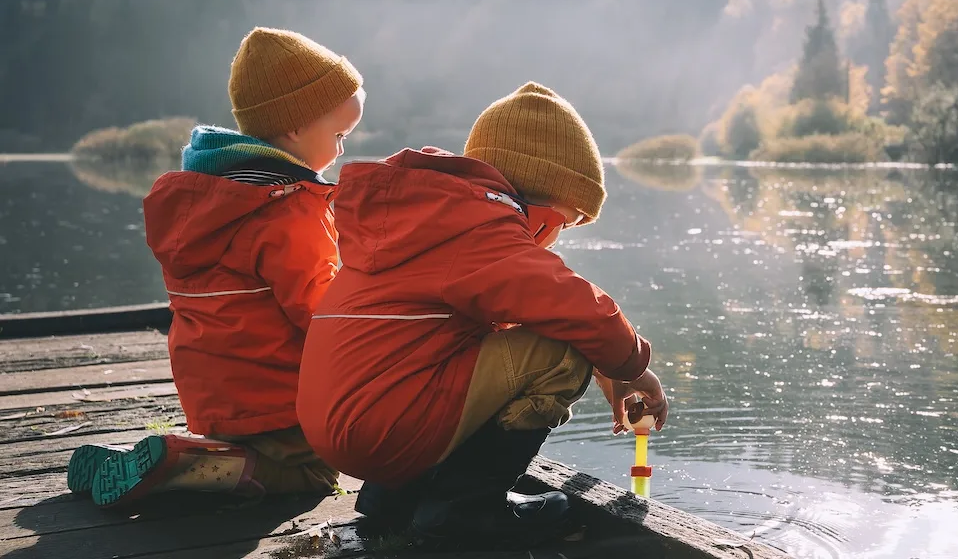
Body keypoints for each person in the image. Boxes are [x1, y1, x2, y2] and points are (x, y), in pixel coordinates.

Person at [297, 81, 667, 546]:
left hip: (342, 422)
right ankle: (466, 510)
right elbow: (577, 307)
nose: (555, 240)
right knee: (561, 357)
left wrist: (606, 366)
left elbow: (518, 319)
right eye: (563, 222)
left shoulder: (431, 216)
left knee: (482, 346)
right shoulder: (481, 228)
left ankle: (394, 500)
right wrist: (633, 367)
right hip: (381, 429)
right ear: (534, 200)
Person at [66, 27, 364, 509]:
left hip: (212, 400)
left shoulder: (209, 197)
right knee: (316, 472)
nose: (342, 150)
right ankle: (182, 466)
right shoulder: (288, 209)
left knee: (252, 446)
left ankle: (169, 456)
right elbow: (319, 311)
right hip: (277, 400)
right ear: (294, 128)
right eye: (339, 136)